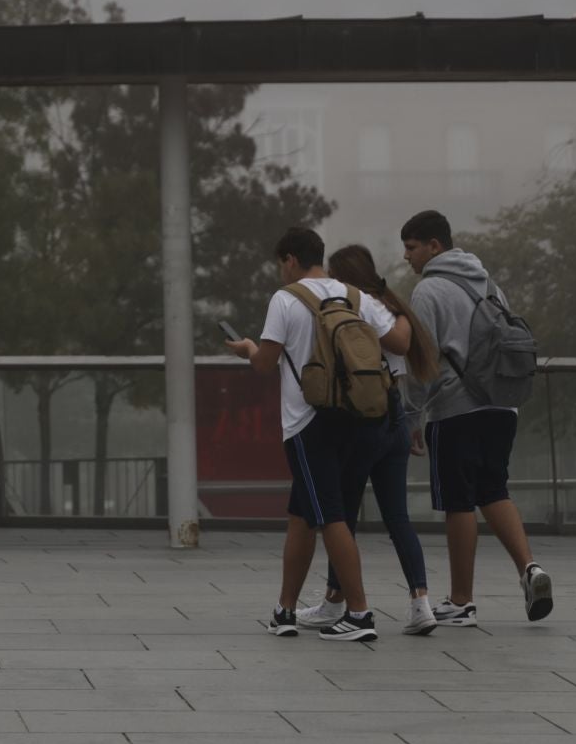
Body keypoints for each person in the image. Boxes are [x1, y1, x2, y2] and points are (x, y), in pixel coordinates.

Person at [226, 226, 411, 642]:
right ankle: (284, 610)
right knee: (301, 516)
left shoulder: (285, 299)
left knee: (330, 517)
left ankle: (360, 614)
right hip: (357, 418)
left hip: (308, 425)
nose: (280, 271)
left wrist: (248, 349)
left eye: (280, 263)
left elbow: (265, 363)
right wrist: (403, 311)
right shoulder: (354, 295)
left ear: (290, 259)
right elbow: (398, 343)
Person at [402, 209, 553, 625]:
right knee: (494, 490)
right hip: (503, 405)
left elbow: (422, 361)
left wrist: (411, 414)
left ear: (435, 245)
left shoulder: (428, 291)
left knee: (458, 502)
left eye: (412, 248)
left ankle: (461, 600)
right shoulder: (487, 281)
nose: (407, 258)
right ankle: (530, 569)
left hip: (456, 409)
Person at [293, 244, 443, 636]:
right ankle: (420, 602)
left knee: (340, 516)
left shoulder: (355, 309)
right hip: (395, 421)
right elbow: (404, 354)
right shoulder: (391, 309)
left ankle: (337, 602)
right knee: (398, 517)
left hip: (362, 424)